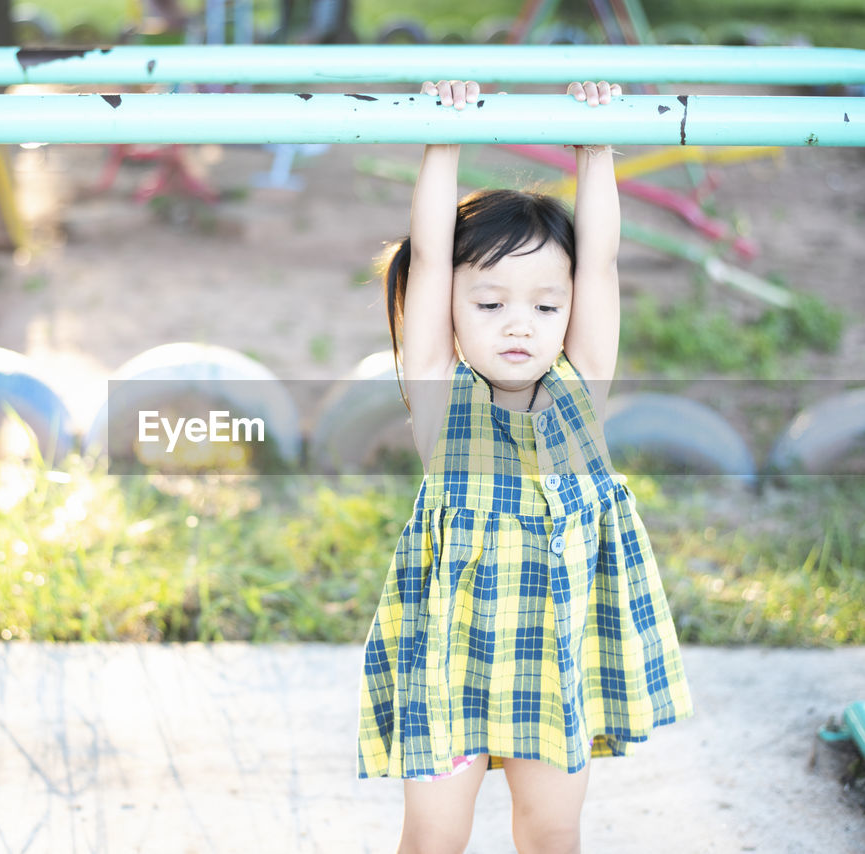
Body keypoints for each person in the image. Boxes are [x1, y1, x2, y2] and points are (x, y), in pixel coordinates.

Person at [356, 80, 694, 854]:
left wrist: (595, 142)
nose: (520, 324)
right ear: (449, 310)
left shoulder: (582, 386)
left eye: (545, 306)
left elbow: (600, 264)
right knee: (434, 835)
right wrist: (444, 137)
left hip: (558, 657)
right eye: (490, 305)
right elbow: (434, 256)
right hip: (453, 657)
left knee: (552, 830)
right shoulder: (440, 395)